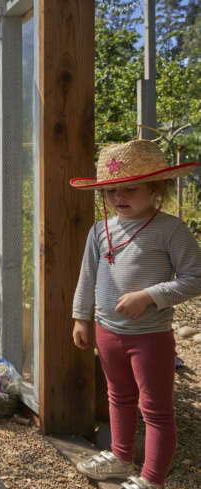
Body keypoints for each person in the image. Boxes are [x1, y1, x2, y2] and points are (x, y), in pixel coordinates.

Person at [69, 139, 201, 489]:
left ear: (156, 189)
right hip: (106, 331)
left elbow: (196, 278)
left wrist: (149, 295)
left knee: (156, 409)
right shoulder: (100, 231)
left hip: (151, 337)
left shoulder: (170, 230)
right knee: (118, 396)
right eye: (111, 191)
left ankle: (152, 479)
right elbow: (88, 276)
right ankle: (121, 457)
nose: (118, 197)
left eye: (130, 189)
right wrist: (81, 317)